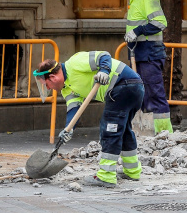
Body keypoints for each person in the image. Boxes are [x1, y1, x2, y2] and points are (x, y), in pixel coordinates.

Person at [35, 51, 144, 188]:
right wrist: (68, 129)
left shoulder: (74, 63)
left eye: (47, 85)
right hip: (132, 88)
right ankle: (132, 171)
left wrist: (104, 71)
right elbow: (74, 111)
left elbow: (104, 56)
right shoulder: (67, 89)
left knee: (109, 130)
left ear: (52, 77)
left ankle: (106, 176)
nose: (49, 88)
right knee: (123, 130)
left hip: (123, 85)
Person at [115, 0, 173, 134]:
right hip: (139, 53)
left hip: (149, 54)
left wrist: (138, 30)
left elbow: (160, 22)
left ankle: (165, 134)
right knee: (143, 94)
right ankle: (148, 132)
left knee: (154, 94)